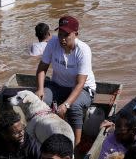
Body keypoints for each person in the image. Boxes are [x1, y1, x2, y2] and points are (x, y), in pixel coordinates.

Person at [35, 15, 97, 148]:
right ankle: (45, 139)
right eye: (60, 34)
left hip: (83, 89)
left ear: (76, 34)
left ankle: (76, 146)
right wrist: (40, 89)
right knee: (42, 101)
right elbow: (42, 69)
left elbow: (80, 83)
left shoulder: (83, 50)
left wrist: (66, 105)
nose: (62, 38)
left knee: (74, 107)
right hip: (58, 85)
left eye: (66, 35)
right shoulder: (52, 43)